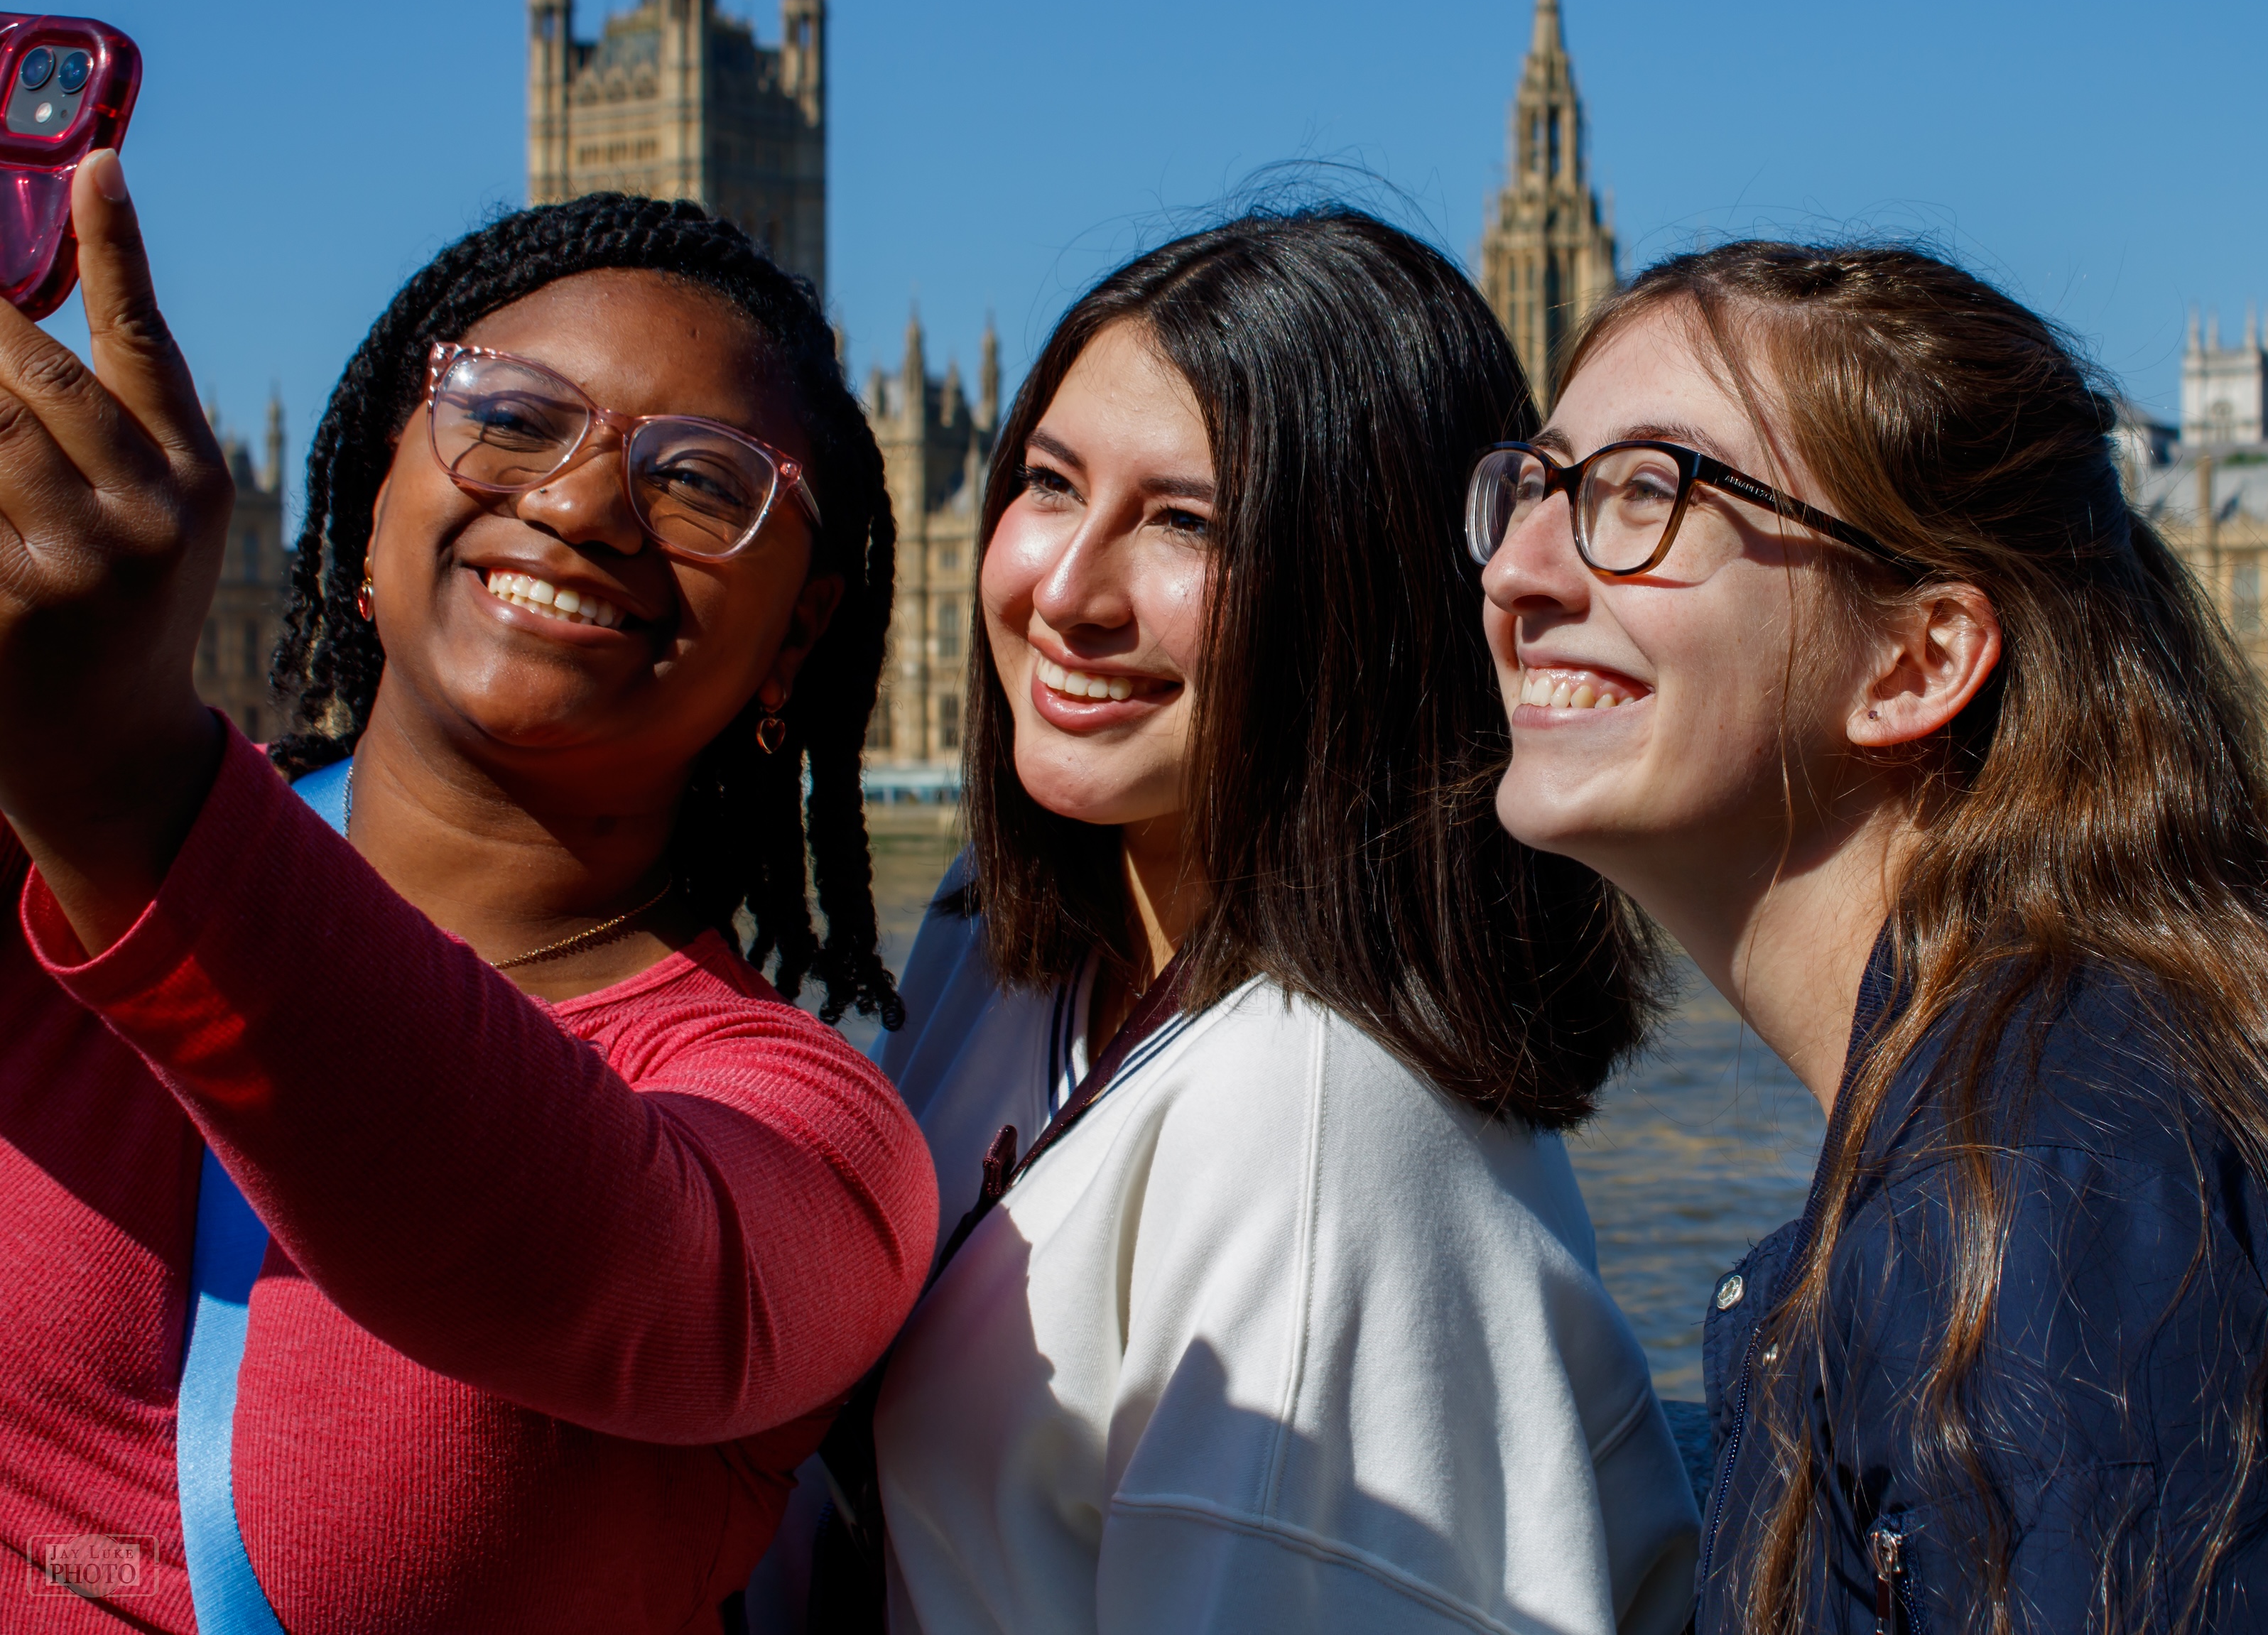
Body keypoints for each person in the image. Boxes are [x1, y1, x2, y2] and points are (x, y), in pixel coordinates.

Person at [1468, 239, 2268, 1634]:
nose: (1516, 571)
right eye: (1533, 486)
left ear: (1919, 658)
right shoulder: (2055, 1111)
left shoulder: (2062, 1218)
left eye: (1644, 491)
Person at [0, 167, 940, 1633]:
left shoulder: (809, 1140)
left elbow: (585, 1250)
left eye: (700, 481)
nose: (578, 502)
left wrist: (119, 767)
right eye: (507, 417)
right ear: (374, 495)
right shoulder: (36, 866)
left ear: (796, 635)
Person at [781, 209, 1698, 1635]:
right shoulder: (1002, 933)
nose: (1064, 590)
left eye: (1183, 520)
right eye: (1045, 482)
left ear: (1369, 590)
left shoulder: (1325, 1136)